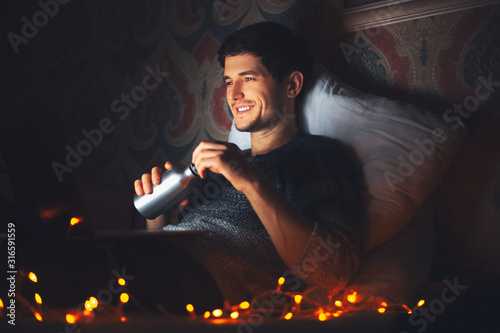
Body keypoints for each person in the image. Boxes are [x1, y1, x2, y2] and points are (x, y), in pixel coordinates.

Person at [134, 22, 367, 306]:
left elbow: (332, 273)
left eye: (249, 78)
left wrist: (251, 180)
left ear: (291, 84)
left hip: (200, 286)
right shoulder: (218, 169)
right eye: (229, 81)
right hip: (149, 268)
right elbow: (166, 245)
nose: (232, 95)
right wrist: (156, 215)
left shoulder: (319, 156)